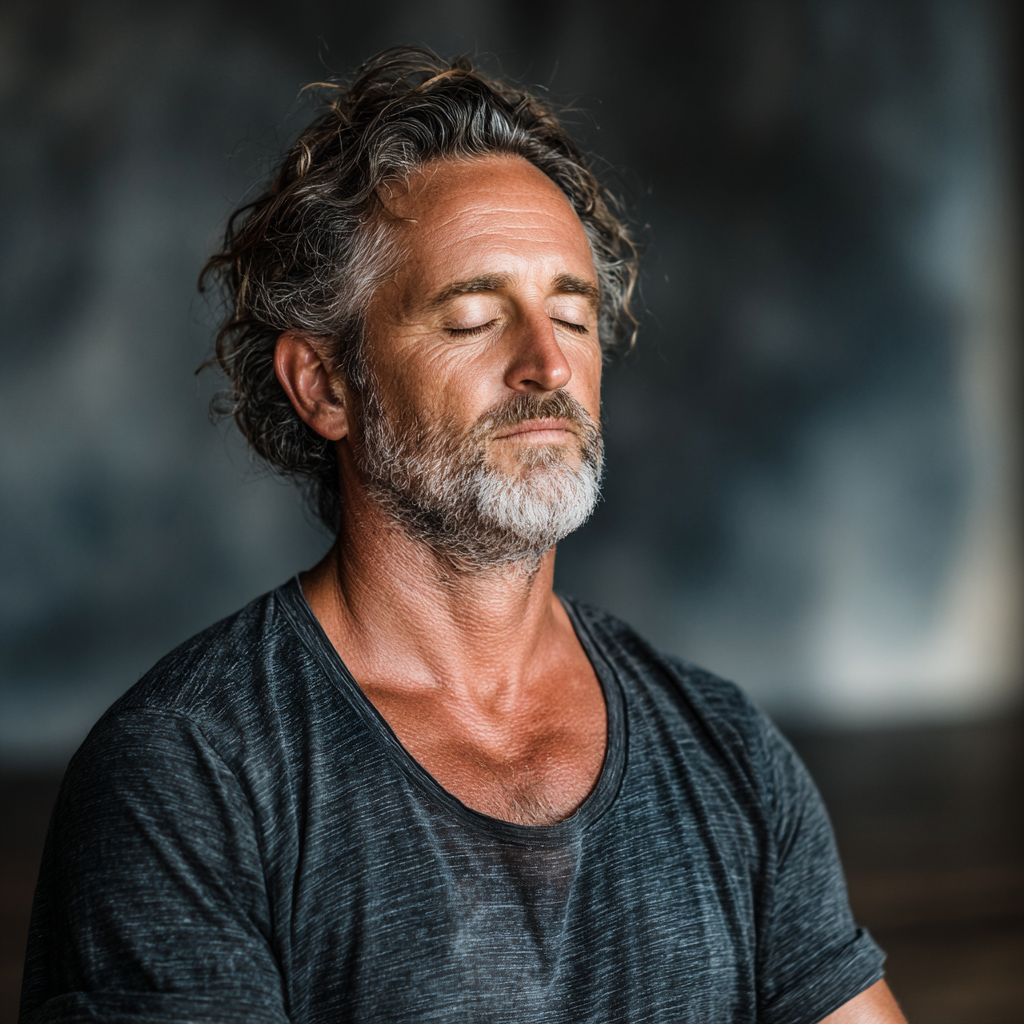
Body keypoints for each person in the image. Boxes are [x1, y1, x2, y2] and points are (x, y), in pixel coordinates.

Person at [20, 47, 906, 1024]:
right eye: (475, 318)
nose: (545, 364)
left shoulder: (729, 751)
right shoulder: (187, 775)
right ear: (324, 386)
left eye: (570, 316)